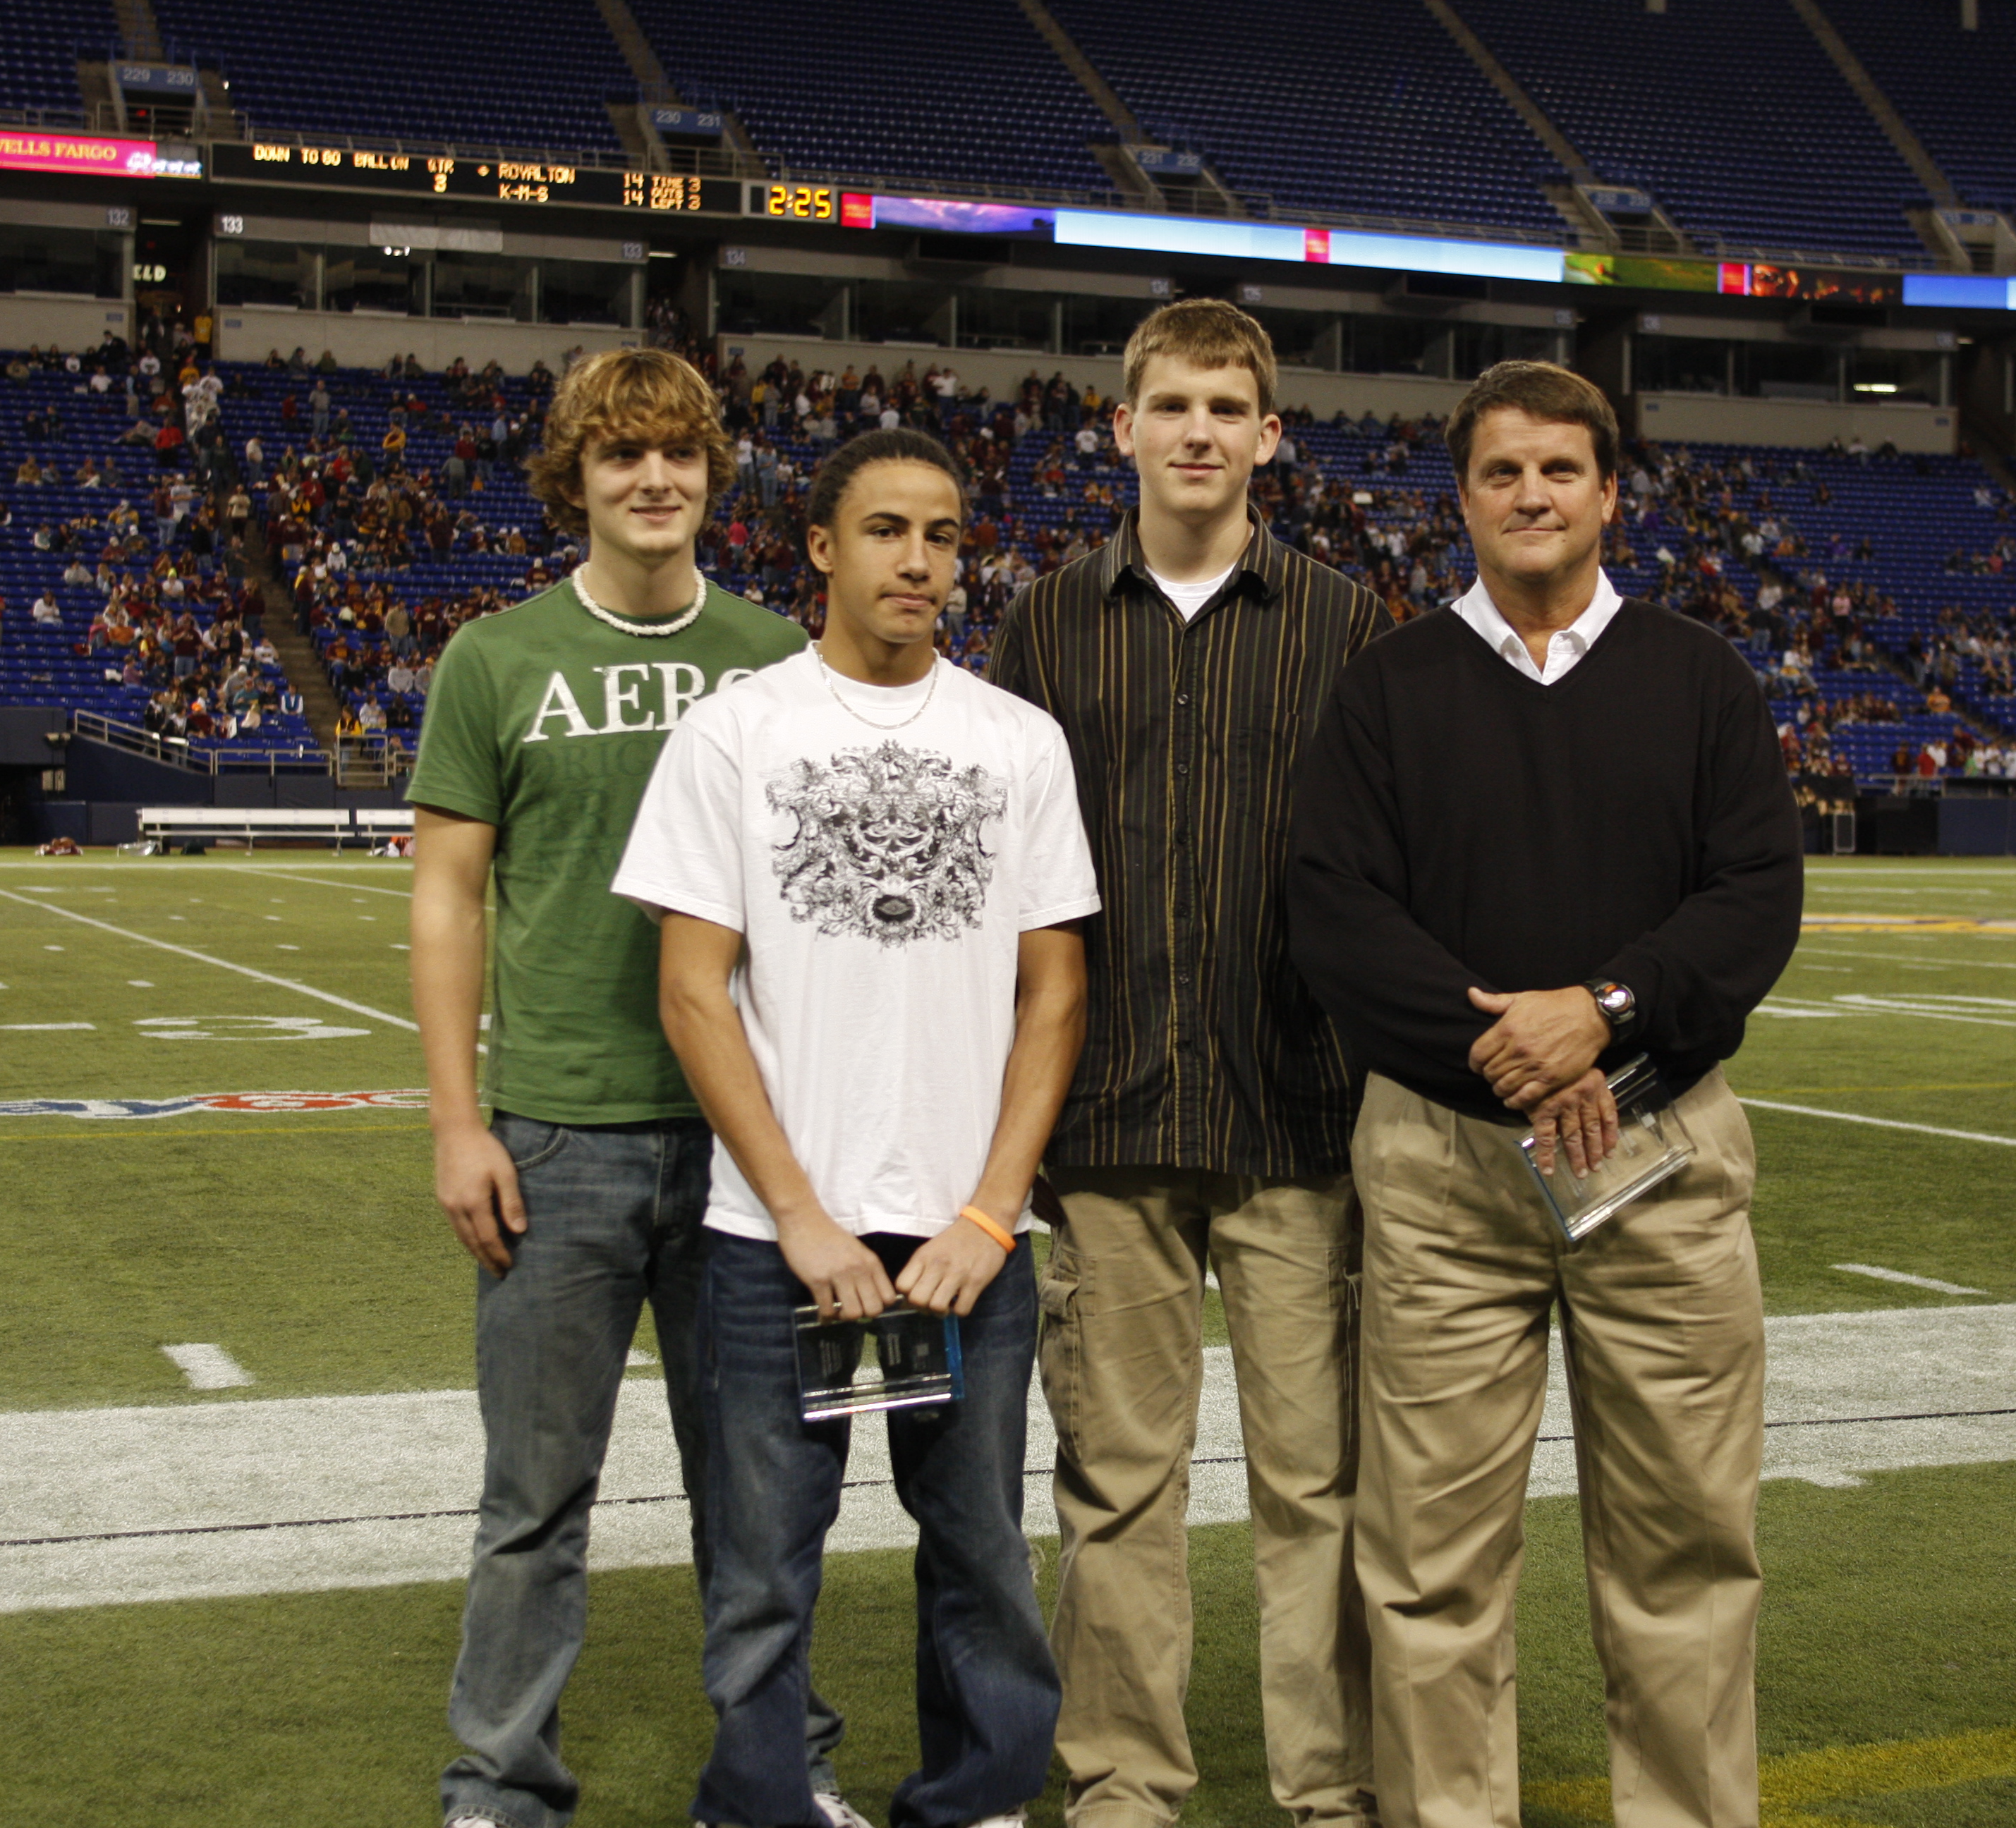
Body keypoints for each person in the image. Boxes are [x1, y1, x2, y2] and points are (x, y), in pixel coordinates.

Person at [1287, 361, 1802, 1828]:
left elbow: (1756, 898)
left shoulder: (1700, 675)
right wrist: (1511, 1054)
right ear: (1462, 501)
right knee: (1434, 1556)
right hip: (1447, 1163)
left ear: (1609, 495)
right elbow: (1336, 912)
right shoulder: (1388, 686)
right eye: (1502, 473)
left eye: (1559, 472)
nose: (1531, 496)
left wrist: (1609, 1015)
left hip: (1665, 1151)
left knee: (1687, 1545)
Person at [616, 426, 1095, 1828]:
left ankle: (981, 1798)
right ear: (821, 549)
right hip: (777, 1239)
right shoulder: (736, 734)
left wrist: (992, 1213)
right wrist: (804, 1217)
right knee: (765, 1555)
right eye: (888, 531)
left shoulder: (1019, 744)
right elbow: (691, 994)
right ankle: (763, 1800)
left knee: (982, 1548)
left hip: (967, 1238)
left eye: (943, 536)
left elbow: (1054, 997)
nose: (922, 562)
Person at [405, 347, 849, 1828]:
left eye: (677, 454)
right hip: (558, 1134)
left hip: (749, 1147)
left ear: (716, 476)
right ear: (576, 479)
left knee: (761, 1501)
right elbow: (448, 902)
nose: (652, 480)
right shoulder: (495, 657)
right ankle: (501, 1785)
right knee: (535, 1498)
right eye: (620, 457)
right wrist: (460, 1122)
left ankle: (781, 1774)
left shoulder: (786, 657)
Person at [990, 298, 1390, 1828]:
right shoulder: (1041, 621)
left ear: (1269, 435)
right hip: (1103, 1116)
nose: (1200, 433)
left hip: (1296, 1110)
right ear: (1125, 427)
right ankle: (1124, 1785)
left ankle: (1331, 1786)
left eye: (1229, 408)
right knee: (1118, 1488)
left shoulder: (1351, 626)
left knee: (1318, 1488)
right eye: (1173, 407)